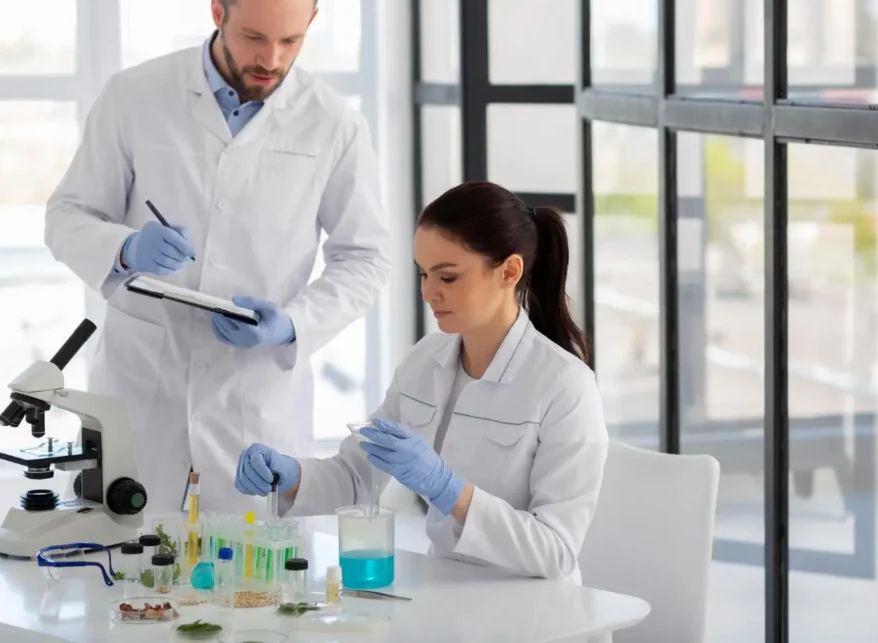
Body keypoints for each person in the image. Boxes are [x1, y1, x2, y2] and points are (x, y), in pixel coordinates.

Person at [44, 0, 390, 513]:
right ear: (217, 11)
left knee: (253, 585)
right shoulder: (135, 96)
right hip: (142, 393)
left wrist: (291, 324)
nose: (271, 59)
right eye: (254, 37)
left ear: (313, 21)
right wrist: (126, 247)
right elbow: (67, 215)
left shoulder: (334, 124)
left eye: (291, 40)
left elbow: (366, 258)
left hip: (254, 408)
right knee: (121, 578)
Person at [234, 181, 609, 583]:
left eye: (447, 278)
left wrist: (451, 491)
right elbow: (358, 476)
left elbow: (555, 553)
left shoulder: (566, 386)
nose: (429, 293)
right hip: (447, 592)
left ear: (509, 271)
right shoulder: (425, 360)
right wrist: (290, 475)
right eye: (423, 274)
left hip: (537, 613)